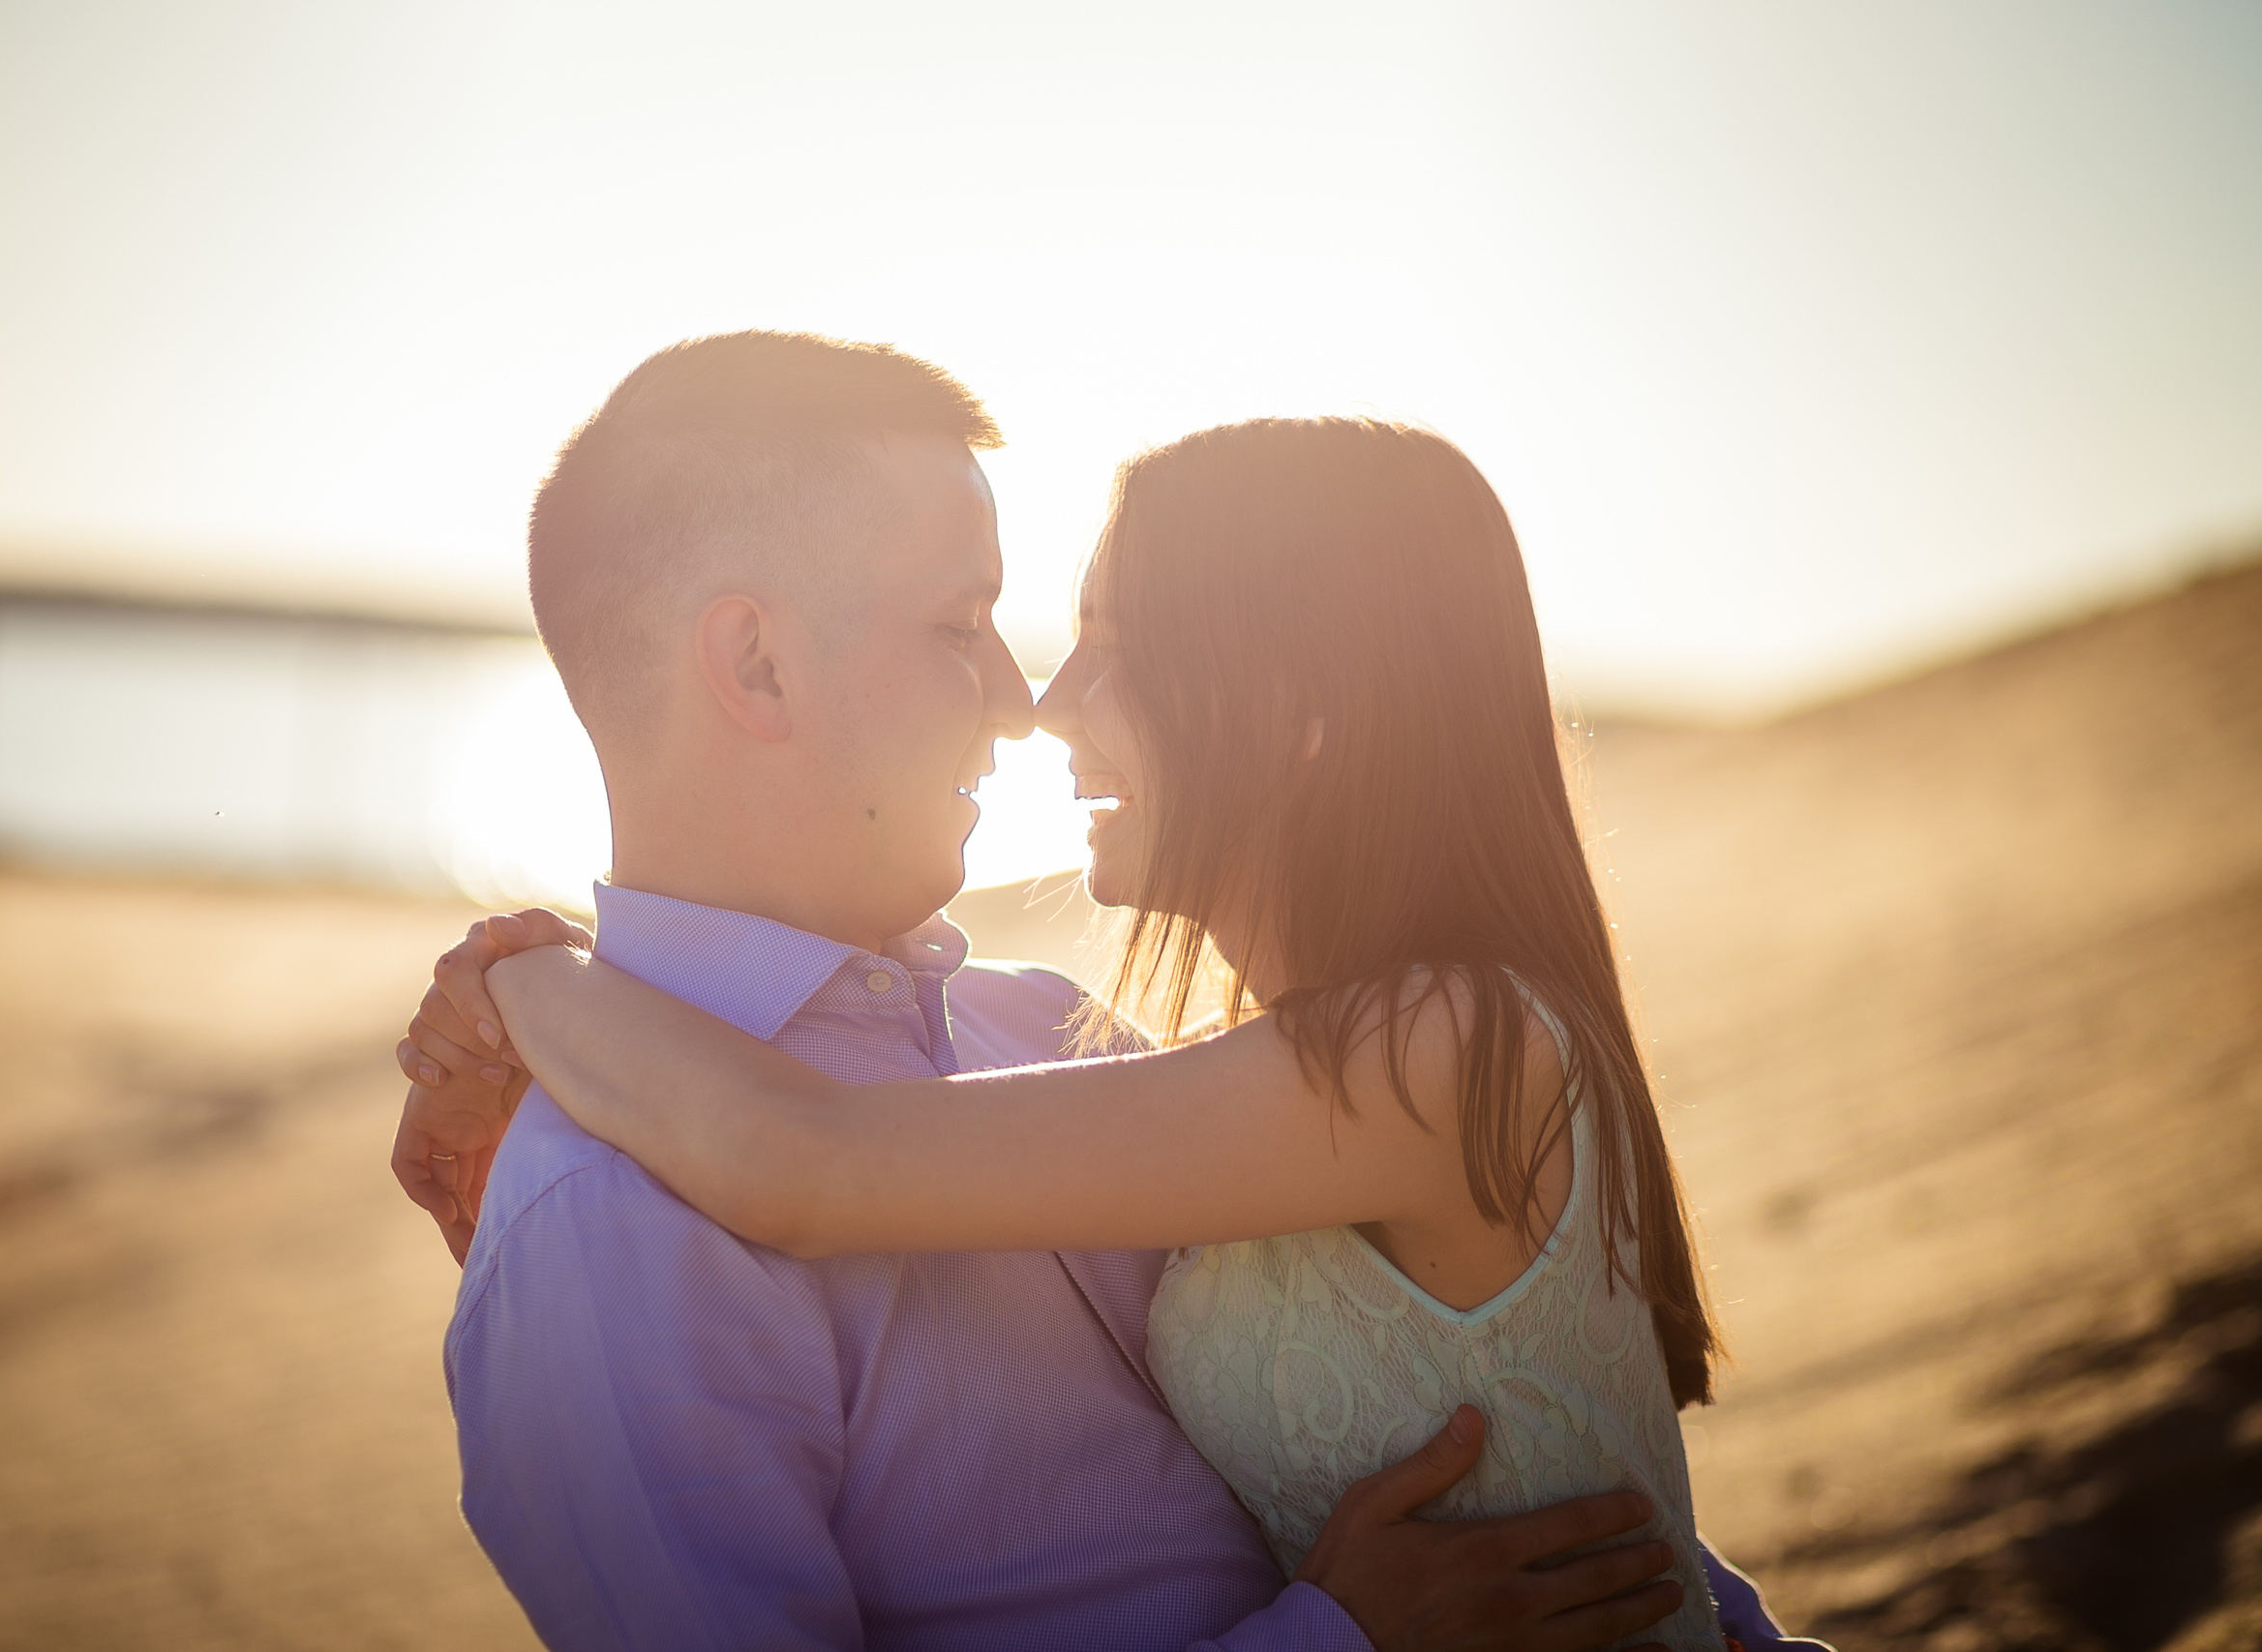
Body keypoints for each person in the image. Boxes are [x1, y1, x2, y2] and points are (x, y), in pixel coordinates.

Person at [393, 332, 1818, 1650]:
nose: (1033, 704)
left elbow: (1575, 1484)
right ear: (756, 663)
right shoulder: (601, 1219)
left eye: (1104, 646)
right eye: (964, 624)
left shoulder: (1063, 1036)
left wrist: (541, 987)